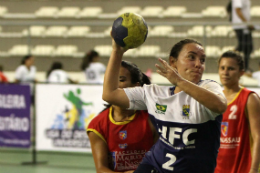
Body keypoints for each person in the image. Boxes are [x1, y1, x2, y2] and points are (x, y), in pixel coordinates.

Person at [102, 37, 227, 173]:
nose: (198, 64)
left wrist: (179, 81)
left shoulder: (208, 87)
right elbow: (109, 94)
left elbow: (220, 105)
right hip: (154, 166)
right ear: (173, 62)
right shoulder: (156, 94)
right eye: (191, 57)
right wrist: (117, 51)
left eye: (202, 60)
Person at [87, 61, 158, 173]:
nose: (114, 85)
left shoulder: (152, 120)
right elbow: (101, 169)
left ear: (136, 87)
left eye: (121, 80)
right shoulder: (97, 125)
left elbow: (160, 162)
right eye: (111, 80)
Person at [215, 50, 260, 173]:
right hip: (217, 168)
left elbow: (258, 137)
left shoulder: (250, 98)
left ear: (241, 73)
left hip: (243, 168)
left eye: (230, 68)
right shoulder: (214, 99)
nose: (225, 72)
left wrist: (254, 169)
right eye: (222, 68)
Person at [232, 0, 254, 71]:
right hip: (240, 26)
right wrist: (246, 22)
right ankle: (228, 56)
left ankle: (245, 67)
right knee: (242, 46)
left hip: (245, 27)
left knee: (248, 47)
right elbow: (237, 10)